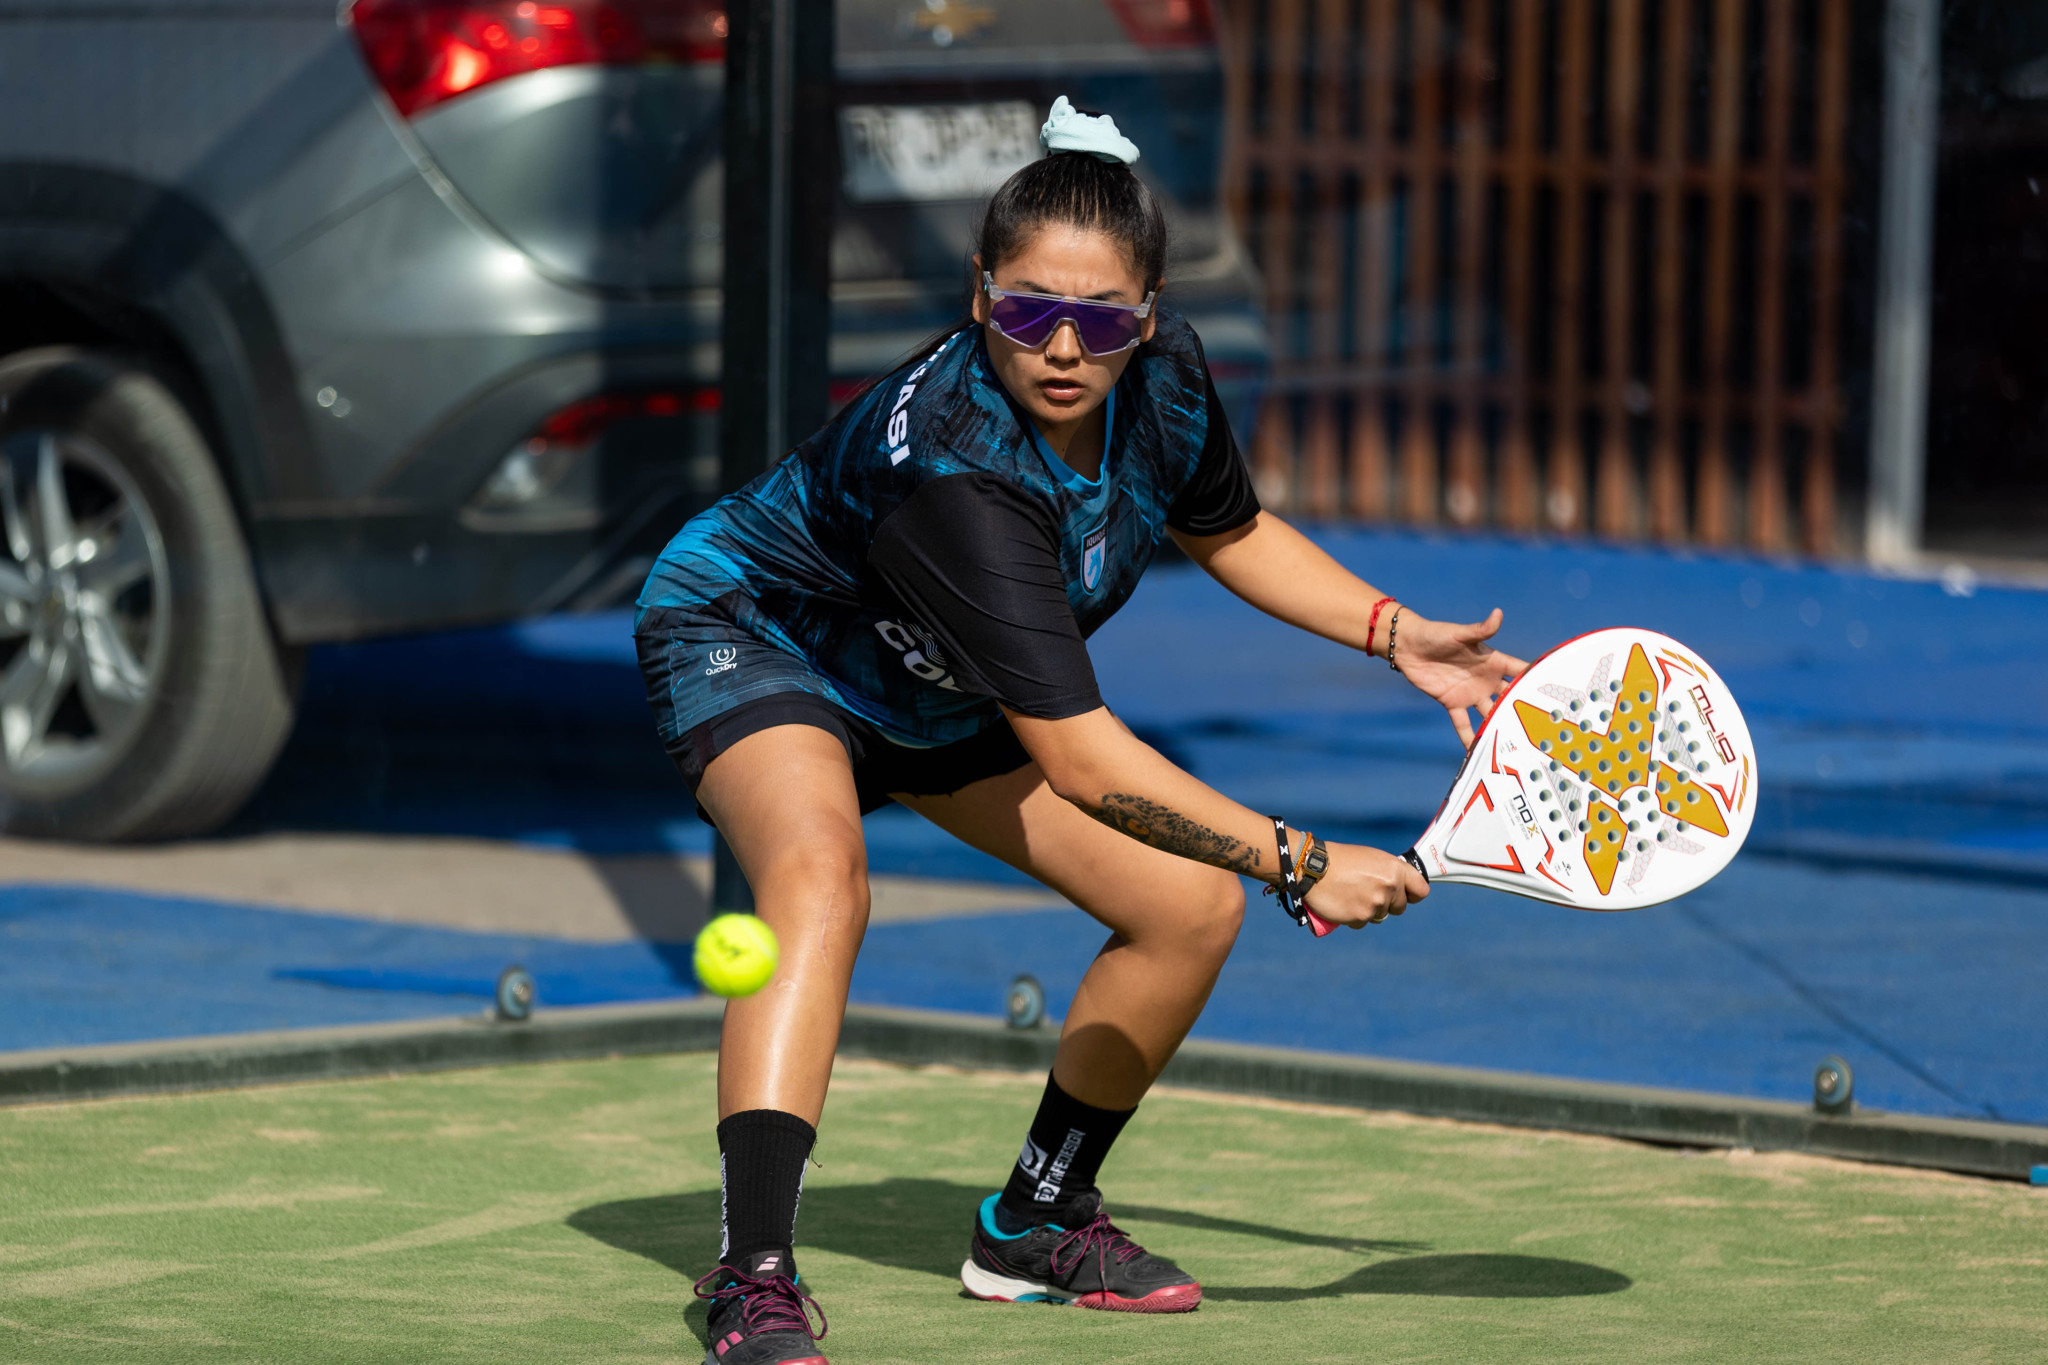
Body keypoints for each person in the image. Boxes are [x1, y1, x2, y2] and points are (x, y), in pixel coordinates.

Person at [634, 97, 1526, 1364]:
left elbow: (1226, 529)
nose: (1062, 346)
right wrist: (1302, 860)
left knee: (1186, 907)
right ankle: (752, 1276)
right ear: (978, 294)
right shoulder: (957, 474)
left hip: (938, 677)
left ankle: (1035, 1220)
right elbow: (1083, 760)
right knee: (819, 876)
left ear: (1147, 317)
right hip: (762, 631)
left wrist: (1392, 632)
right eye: (1026, 312)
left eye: (1101, 319)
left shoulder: (1166, 384)